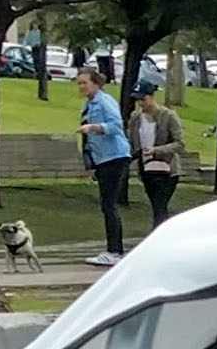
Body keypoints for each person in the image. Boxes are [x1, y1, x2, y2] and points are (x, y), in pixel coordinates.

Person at [78, 57, 131, 264]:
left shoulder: (104, 101)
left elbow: (116, 126)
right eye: (79, 83)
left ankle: (115, 251)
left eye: (85, 82)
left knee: (109, 204)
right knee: (106, 204)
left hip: (114, 156)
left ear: (96, 83)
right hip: (102, 158)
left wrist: (93, 128)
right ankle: (113, 249)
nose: (82, 87)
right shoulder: (89, 105)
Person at [132, 79, 186, 226]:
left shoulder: (168, 116)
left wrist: (156, 150)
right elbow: (133, 142)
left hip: (166, 169)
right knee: (156, 205)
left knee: (160, 205)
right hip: (146, 168)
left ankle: (159, 236)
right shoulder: (136, 118)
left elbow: (180, 143)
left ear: (151, 97)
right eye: (138, 100)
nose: (141, 103)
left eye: (143, 99)